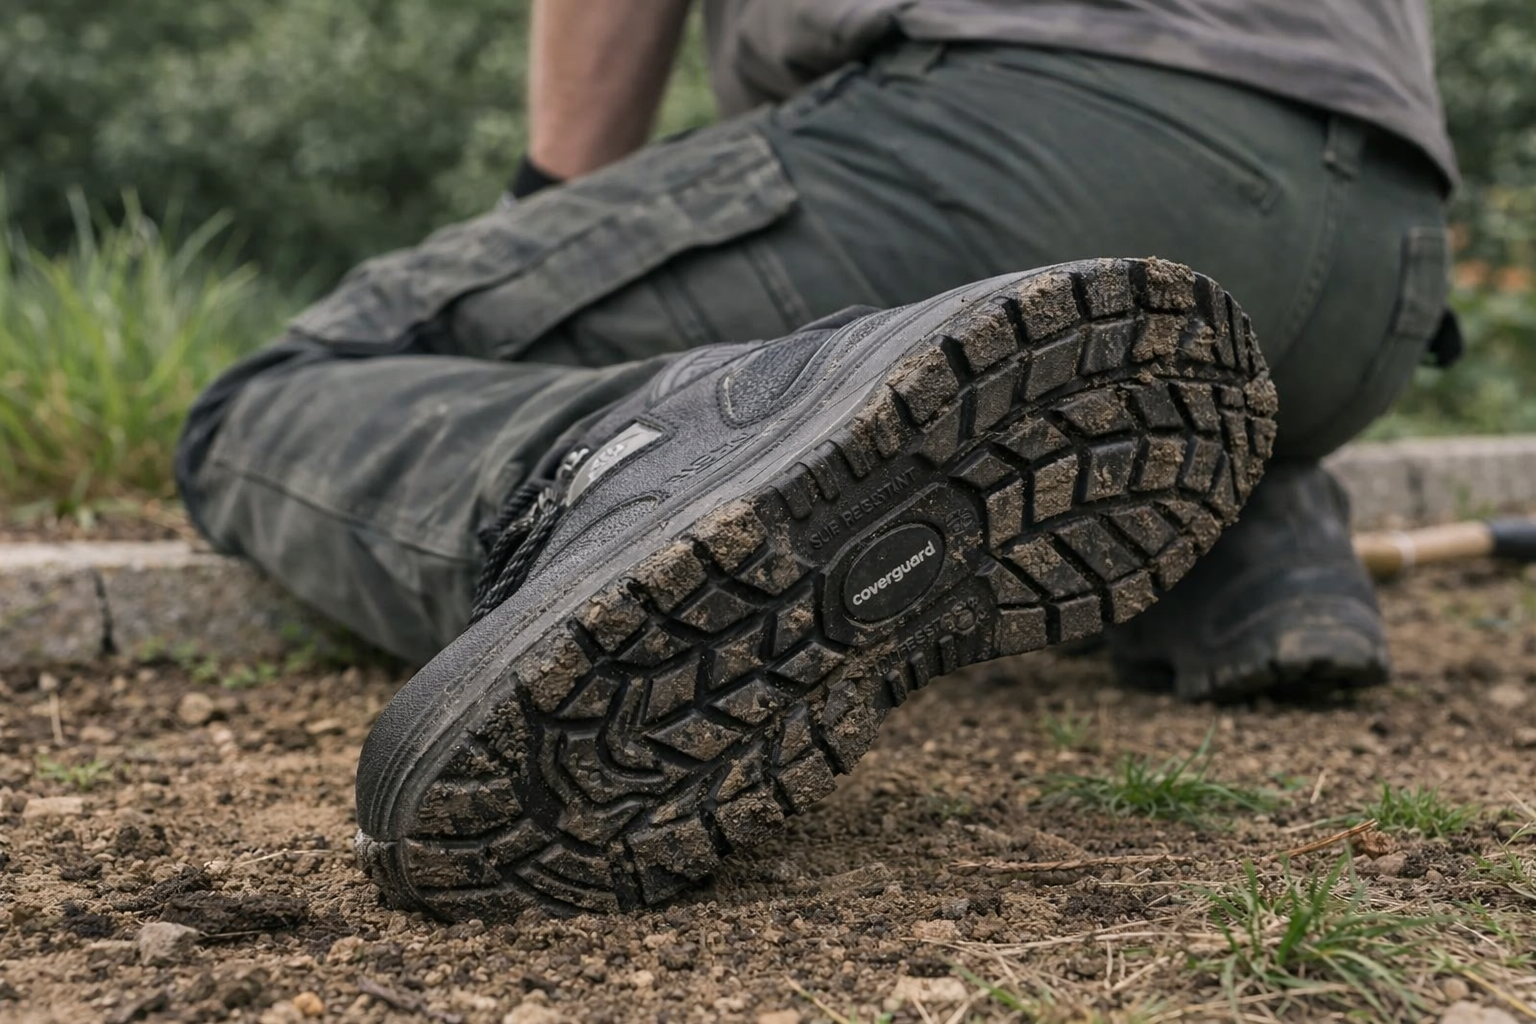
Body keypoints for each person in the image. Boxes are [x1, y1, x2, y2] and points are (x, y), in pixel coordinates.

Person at [176, 0, 1457, 918]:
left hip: (1023, 135)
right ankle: (1262, 527)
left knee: (281, 385)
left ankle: (621, 478)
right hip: (1378, 271)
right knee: (1104, 374)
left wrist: (550, 208)